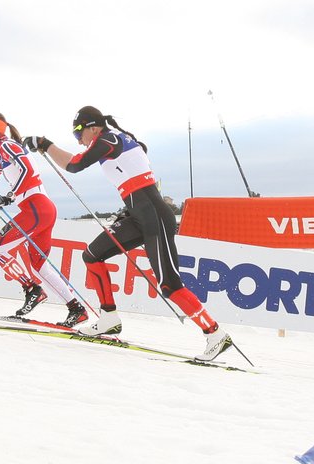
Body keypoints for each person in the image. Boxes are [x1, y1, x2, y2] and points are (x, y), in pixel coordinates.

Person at [22, 106, 232, 361]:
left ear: (93, 127)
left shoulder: (108, 139)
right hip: (137, 216)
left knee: (170, 286)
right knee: (92, 255)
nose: (79, 140)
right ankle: (109, 317)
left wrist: (45, 143)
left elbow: (75, 165)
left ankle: (214, 333)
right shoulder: (111, 140)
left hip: (154, 218)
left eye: (78, 133)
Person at [0, 111, 88, 326]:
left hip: (35, 208)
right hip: (41, 209)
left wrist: (9, 197)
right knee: (39, 265)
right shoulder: (0, 153)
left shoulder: (7, 146)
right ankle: (76, 309)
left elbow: (27, 171)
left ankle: (32, 289)